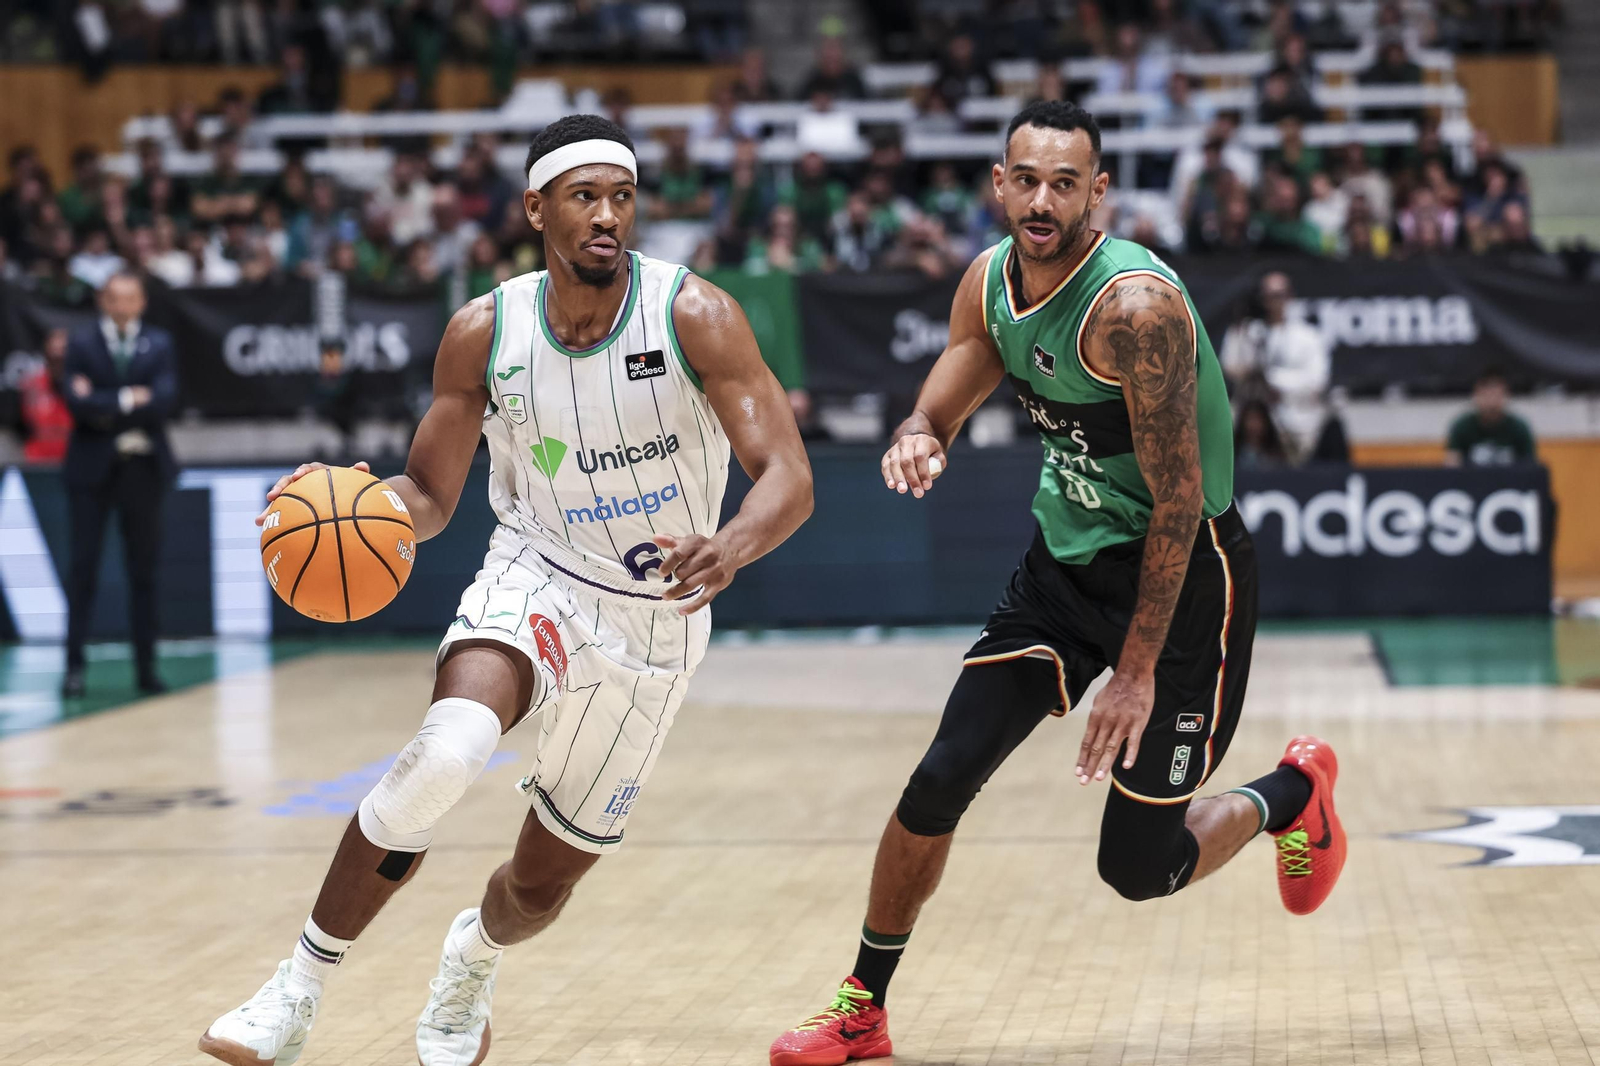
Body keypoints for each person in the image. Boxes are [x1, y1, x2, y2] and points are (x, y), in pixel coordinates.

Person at [198, 114, 814, 1066]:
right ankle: (297, 987)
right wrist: (351, 502)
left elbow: (788, 475)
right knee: (449, 750)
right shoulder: (485, 331)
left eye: (622, 196)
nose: (607, 216)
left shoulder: (697, 315)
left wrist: (731, 544)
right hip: (536, 575)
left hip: (655, 627)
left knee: (537, 889)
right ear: (536, 208)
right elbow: (432, 495)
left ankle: (470, 963)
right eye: (584, 197)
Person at [768, 102, 1346, 1066]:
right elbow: (958, 375)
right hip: (1062, 568)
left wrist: (1134, 672)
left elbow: (1176, 505)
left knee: (1138, 868)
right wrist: (921, 432)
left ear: (1097, 193)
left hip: (1185, 580)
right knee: (941, 773)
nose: (1042, 200)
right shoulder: (990, 281)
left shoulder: (1136, 314)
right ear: (999, 182)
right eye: (1026, 179)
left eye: (1064, 183)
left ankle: (1291, 793)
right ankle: (862, 1006)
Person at [61, 272, 178, 699]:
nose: (123, 306)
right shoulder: (81, 342)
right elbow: (75, 403)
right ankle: (73, 668)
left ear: (142, 301)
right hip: (91, 471)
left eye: (130, 298)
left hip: (143, 469)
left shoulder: (160, 343)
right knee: (82, 571)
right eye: (115, 298)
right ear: (103, 302)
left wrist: (104, 402)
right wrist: (132, 399)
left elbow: (165, 400)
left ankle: (146, 669)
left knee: (143, 572)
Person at [1219, 271, 1337, 463]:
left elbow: (1318, 380)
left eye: (1278, 295)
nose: (1273, 301)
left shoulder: (1308, 336)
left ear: (1290, 296)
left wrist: (1273, 379)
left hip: (1297, 417)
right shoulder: (1247, 331)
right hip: (1254, 419)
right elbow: (1229, 366)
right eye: (1267, 296)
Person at [1446, 368, 1535, 466]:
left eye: (1496, 394)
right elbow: (1452, 467)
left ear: (1506, 394)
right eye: (1486, 394)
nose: (1491, 400)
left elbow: (1530, 467)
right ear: (1476, 394)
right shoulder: (1462, 427)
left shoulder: (1519, 428)